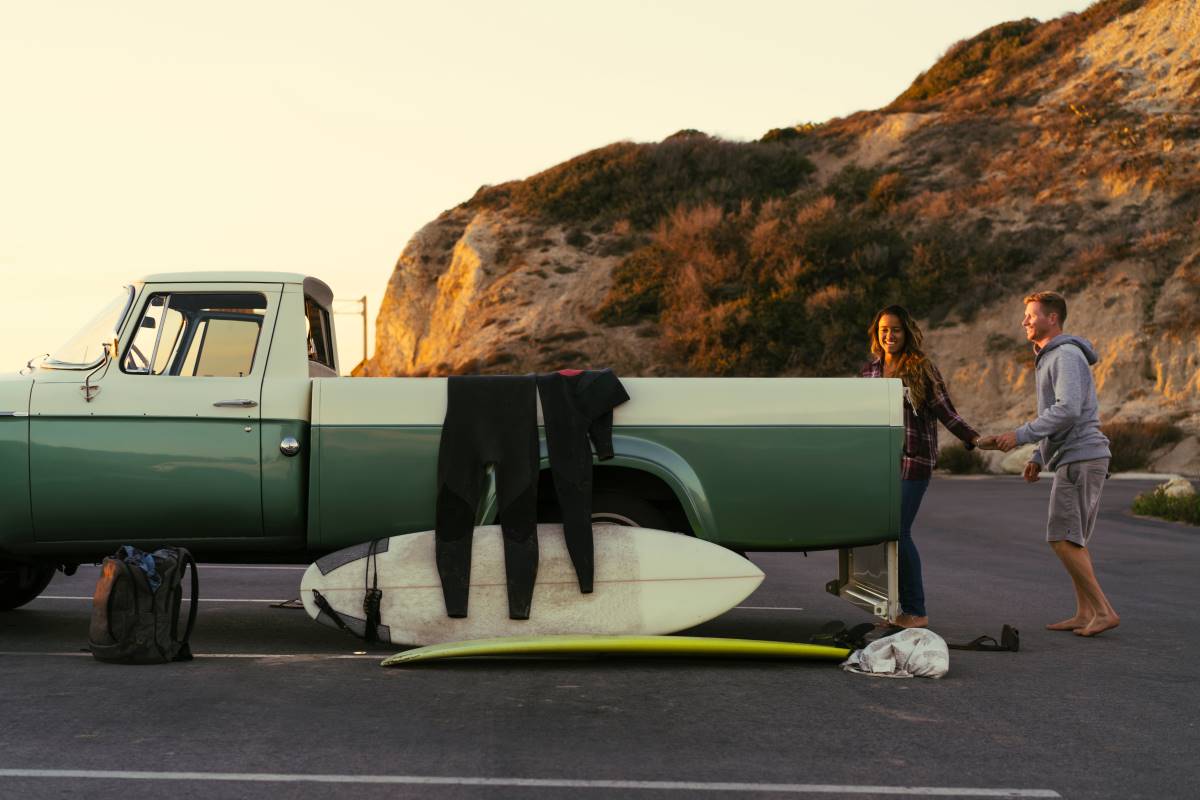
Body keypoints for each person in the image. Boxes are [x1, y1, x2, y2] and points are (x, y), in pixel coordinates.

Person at [984, 292, 1118, 637]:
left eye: (1031, 315)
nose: (1024, 321)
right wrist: (1039, 455)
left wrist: (1021, 435)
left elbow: (1068, 409)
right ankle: (1085, 611)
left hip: (1081, 457)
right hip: (1075, 457)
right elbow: (1055, 415)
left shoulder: (1065, 355)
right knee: (1073, 539)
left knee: (1061, 537)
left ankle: (1103, 610)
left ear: (1053, 318)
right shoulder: (1051, 357)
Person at [862, 305, 982, 629]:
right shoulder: (870, 372)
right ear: (877, 333)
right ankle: (894, 610)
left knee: (898, 533)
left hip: (914, 460)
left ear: (908, 333)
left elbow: (947, 412)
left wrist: (974, 438)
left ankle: (916, 611)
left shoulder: (921, 369)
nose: (890, 335)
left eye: (896, 330)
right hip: (879, 464)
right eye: (884, 329)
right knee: (885, 536)